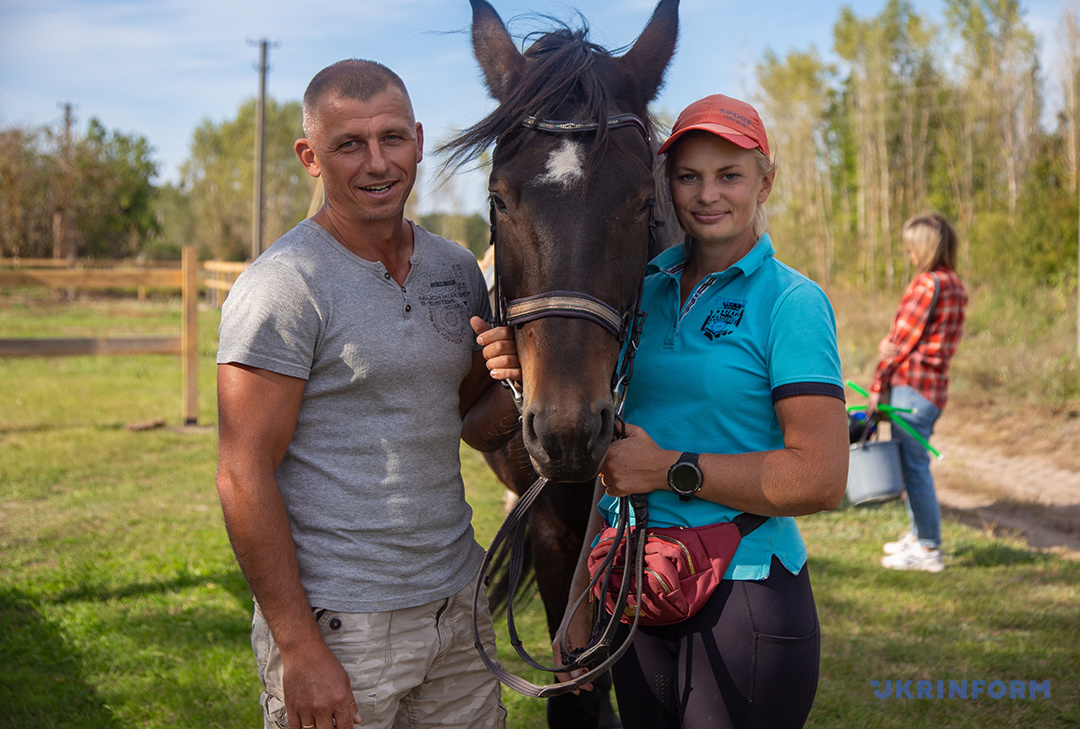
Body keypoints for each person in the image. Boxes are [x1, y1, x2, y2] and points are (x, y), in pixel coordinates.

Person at [476, 94, 849, 728]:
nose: (708, 195)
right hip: (636, 588)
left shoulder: (793, 302)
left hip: (744, 589)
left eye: (729, 175)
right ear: (664, 184)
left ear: (765, 182)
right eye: (688, 176)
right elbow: (616, 464)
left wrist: (670, 470)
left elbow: (820, 478)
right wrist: (579, 604)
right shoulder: (639, 295)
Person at [215, 59, 516, 729]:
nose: (377, 162)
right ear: (311, 156)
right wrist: (299, 645)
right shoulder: (285, 284)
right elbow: (242, 473)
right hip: (341, 624)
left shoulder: (455, 268)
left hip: (455, 603)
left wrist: (522, 380)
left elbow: (472, 417)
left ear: (416, 137)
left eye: (392, 139)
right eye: (350, 144)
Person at [869, 213, 967, 573]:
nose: (909, 254)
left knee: (914, 469)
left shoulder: (926, 284)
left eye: (912, 248)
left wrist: (878, 387)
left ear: (925, 248)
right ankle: (918, 535)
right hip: (933, 391)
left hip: (911, 390)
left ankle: (928, 549)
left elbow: (898, 346)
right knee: (913, 465)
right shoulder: (954, 283)